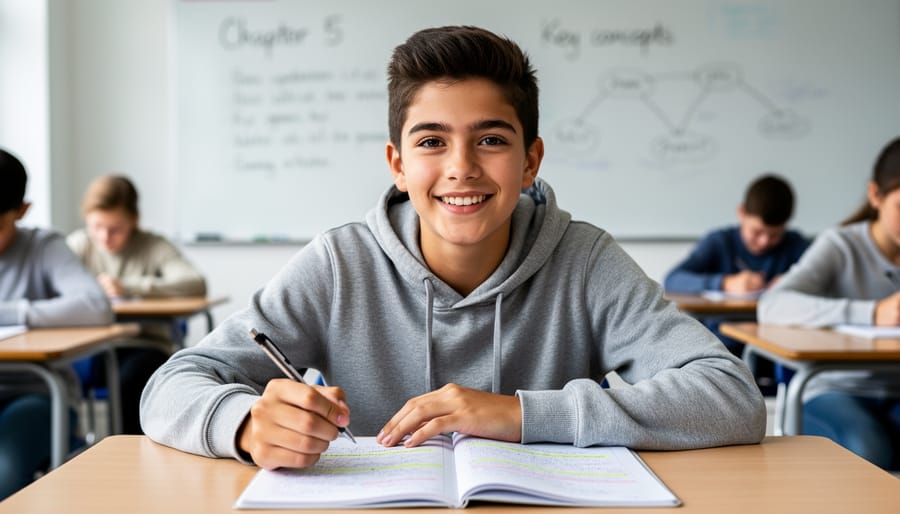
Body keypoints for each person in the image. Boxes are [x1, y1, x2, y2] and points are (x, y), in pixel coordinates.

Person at [141, 25, 765, 470]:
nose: (461, 167)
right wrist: (245, 424)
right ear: (397, 164)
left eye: (491, 139)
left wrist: (519, 415)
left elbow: (731, 398)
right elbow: (172, 384)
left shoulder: (585, 260)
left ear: (530, 161)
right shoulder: (340, 264)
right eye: (432, 142)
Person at [757, 136, 900, 471]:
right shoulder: (841, 246)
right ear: (875, 196)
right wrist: (873, 313)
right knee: (867, 448)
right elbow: (773, 305)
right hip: (836, 388)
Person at [0, 148, 113, 499]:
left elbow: (96, 307)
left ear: (21, 211)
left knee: (5, 473)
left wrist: (12, 313)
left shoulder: (42, 247)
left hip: (33, 392)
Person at [67, 175, 207, 435]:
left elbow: (195, 283)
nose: (105, 237)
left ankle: (131, 453)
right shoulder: (78, 245)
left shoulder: (153, 246)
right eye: (97, 226)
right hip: (91, 347)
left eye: (115, 228)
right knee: (59, 375)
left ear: (134, 220)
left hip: (142, 346)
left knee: (130, 380)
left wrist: (130, 286)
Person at [663, 174, 809, 390]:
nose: (764, 242)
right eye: (757, 232)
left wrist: (796, 282)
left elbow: (828, 282)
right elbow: (673, 279)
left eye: (774, 235)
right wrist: (725, 283)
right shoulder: (720, 242)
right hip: (724, 345)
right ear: (741, 213)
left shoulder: (796, 245)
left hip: (775, 347)